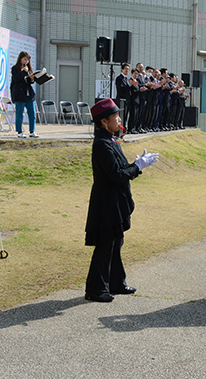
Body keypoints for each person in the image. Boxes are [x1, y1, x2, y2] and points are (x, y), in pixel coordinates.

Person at [84, 99, 158, 302]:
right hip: (106, 203)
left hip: (115, 201)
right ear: (103, 122)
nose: (119, 120)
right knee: (105, 244)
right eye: (115, 117)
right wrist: (138, 167)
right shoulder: (102, 144)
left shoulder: (110, 140)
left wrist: (136, 164)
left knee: (116, 243)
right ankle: (95, 289)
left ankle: (115, 282)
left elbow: (122, 169)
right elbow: (117, 175)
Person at [10, 51, 38, 138]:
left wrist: (32, 78)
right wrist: (24, 72)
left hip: (29, 95)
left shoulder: (28, 69)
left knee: (32, 113)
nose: (26, 62)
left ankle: (32, 131)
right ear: (20, 59)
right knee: (19, 113)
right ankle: (19, 132)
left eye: (28, 60)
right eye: (25, 59)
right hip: (19, 95)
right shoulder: (15, 68)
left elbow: (30, 82)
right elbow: (17, 79)